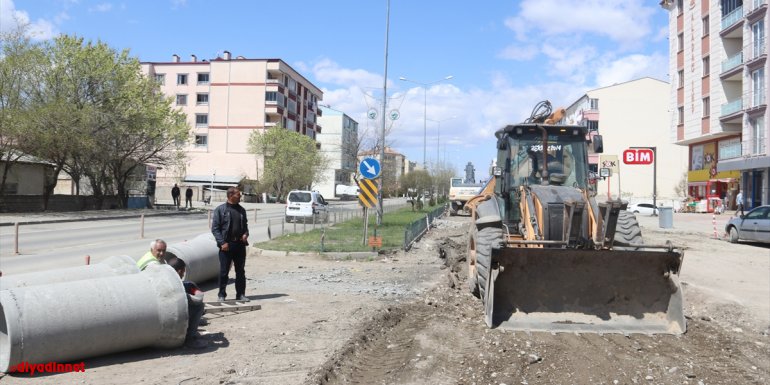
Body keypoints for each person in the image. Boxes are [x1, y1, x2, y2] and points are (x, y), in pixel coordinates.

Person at [211, 187, 250, 302]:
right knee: (224, 271)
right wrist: (222, 242)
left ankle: (241, 294)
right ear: (230, 196)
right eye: (238, 195)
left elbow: (245, 226)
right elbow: (215, 229)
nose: (240, 197)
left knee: (240, 271)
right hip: (226, 246)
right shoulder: (220, 210)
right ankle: (221, 295)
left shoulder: (242, 210)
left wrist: (246, 234)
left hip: (239, 245)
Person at [167, 257, 208, 349]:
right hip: (171, 319)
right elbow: (198, 299)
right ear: (179, 271)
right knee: (199, 307)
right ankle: (189, 339)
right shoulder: (175, 287)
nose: (183, 274)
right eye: (183, 272)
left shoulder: (165, 278)